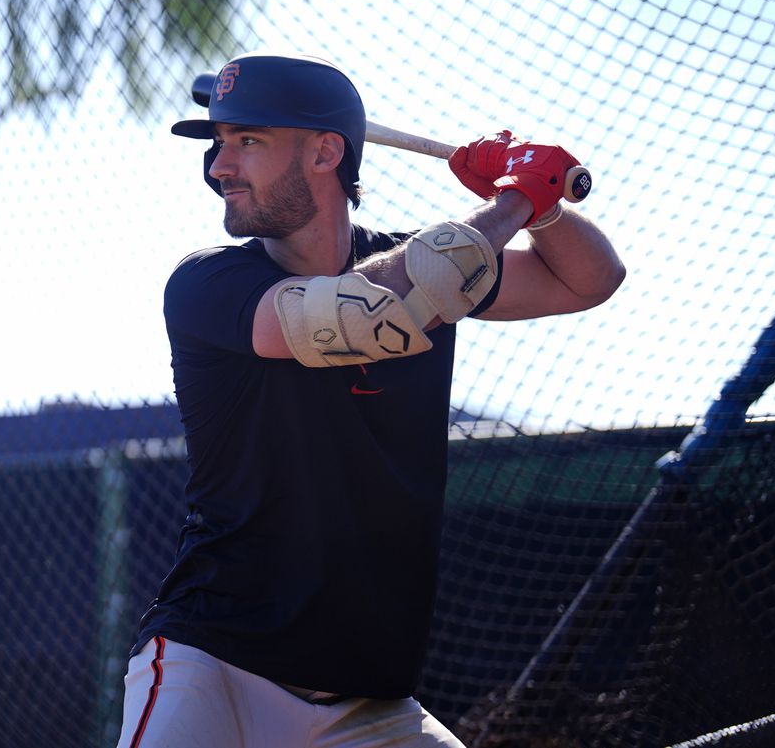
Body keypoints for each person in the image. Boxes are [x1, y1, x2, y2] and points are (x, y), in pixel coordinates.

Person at [115, 51, 625, 748]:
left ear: (326, 152)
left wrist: (543, 205)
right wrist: (511, 202)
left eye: (247, 142)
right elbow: (360, 316)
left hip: (367, 706)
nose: (219, 166)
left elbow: (591, 278)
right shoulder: (207, 285)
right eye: (218, 143)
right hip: (217, 669)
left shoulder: (428, 263)